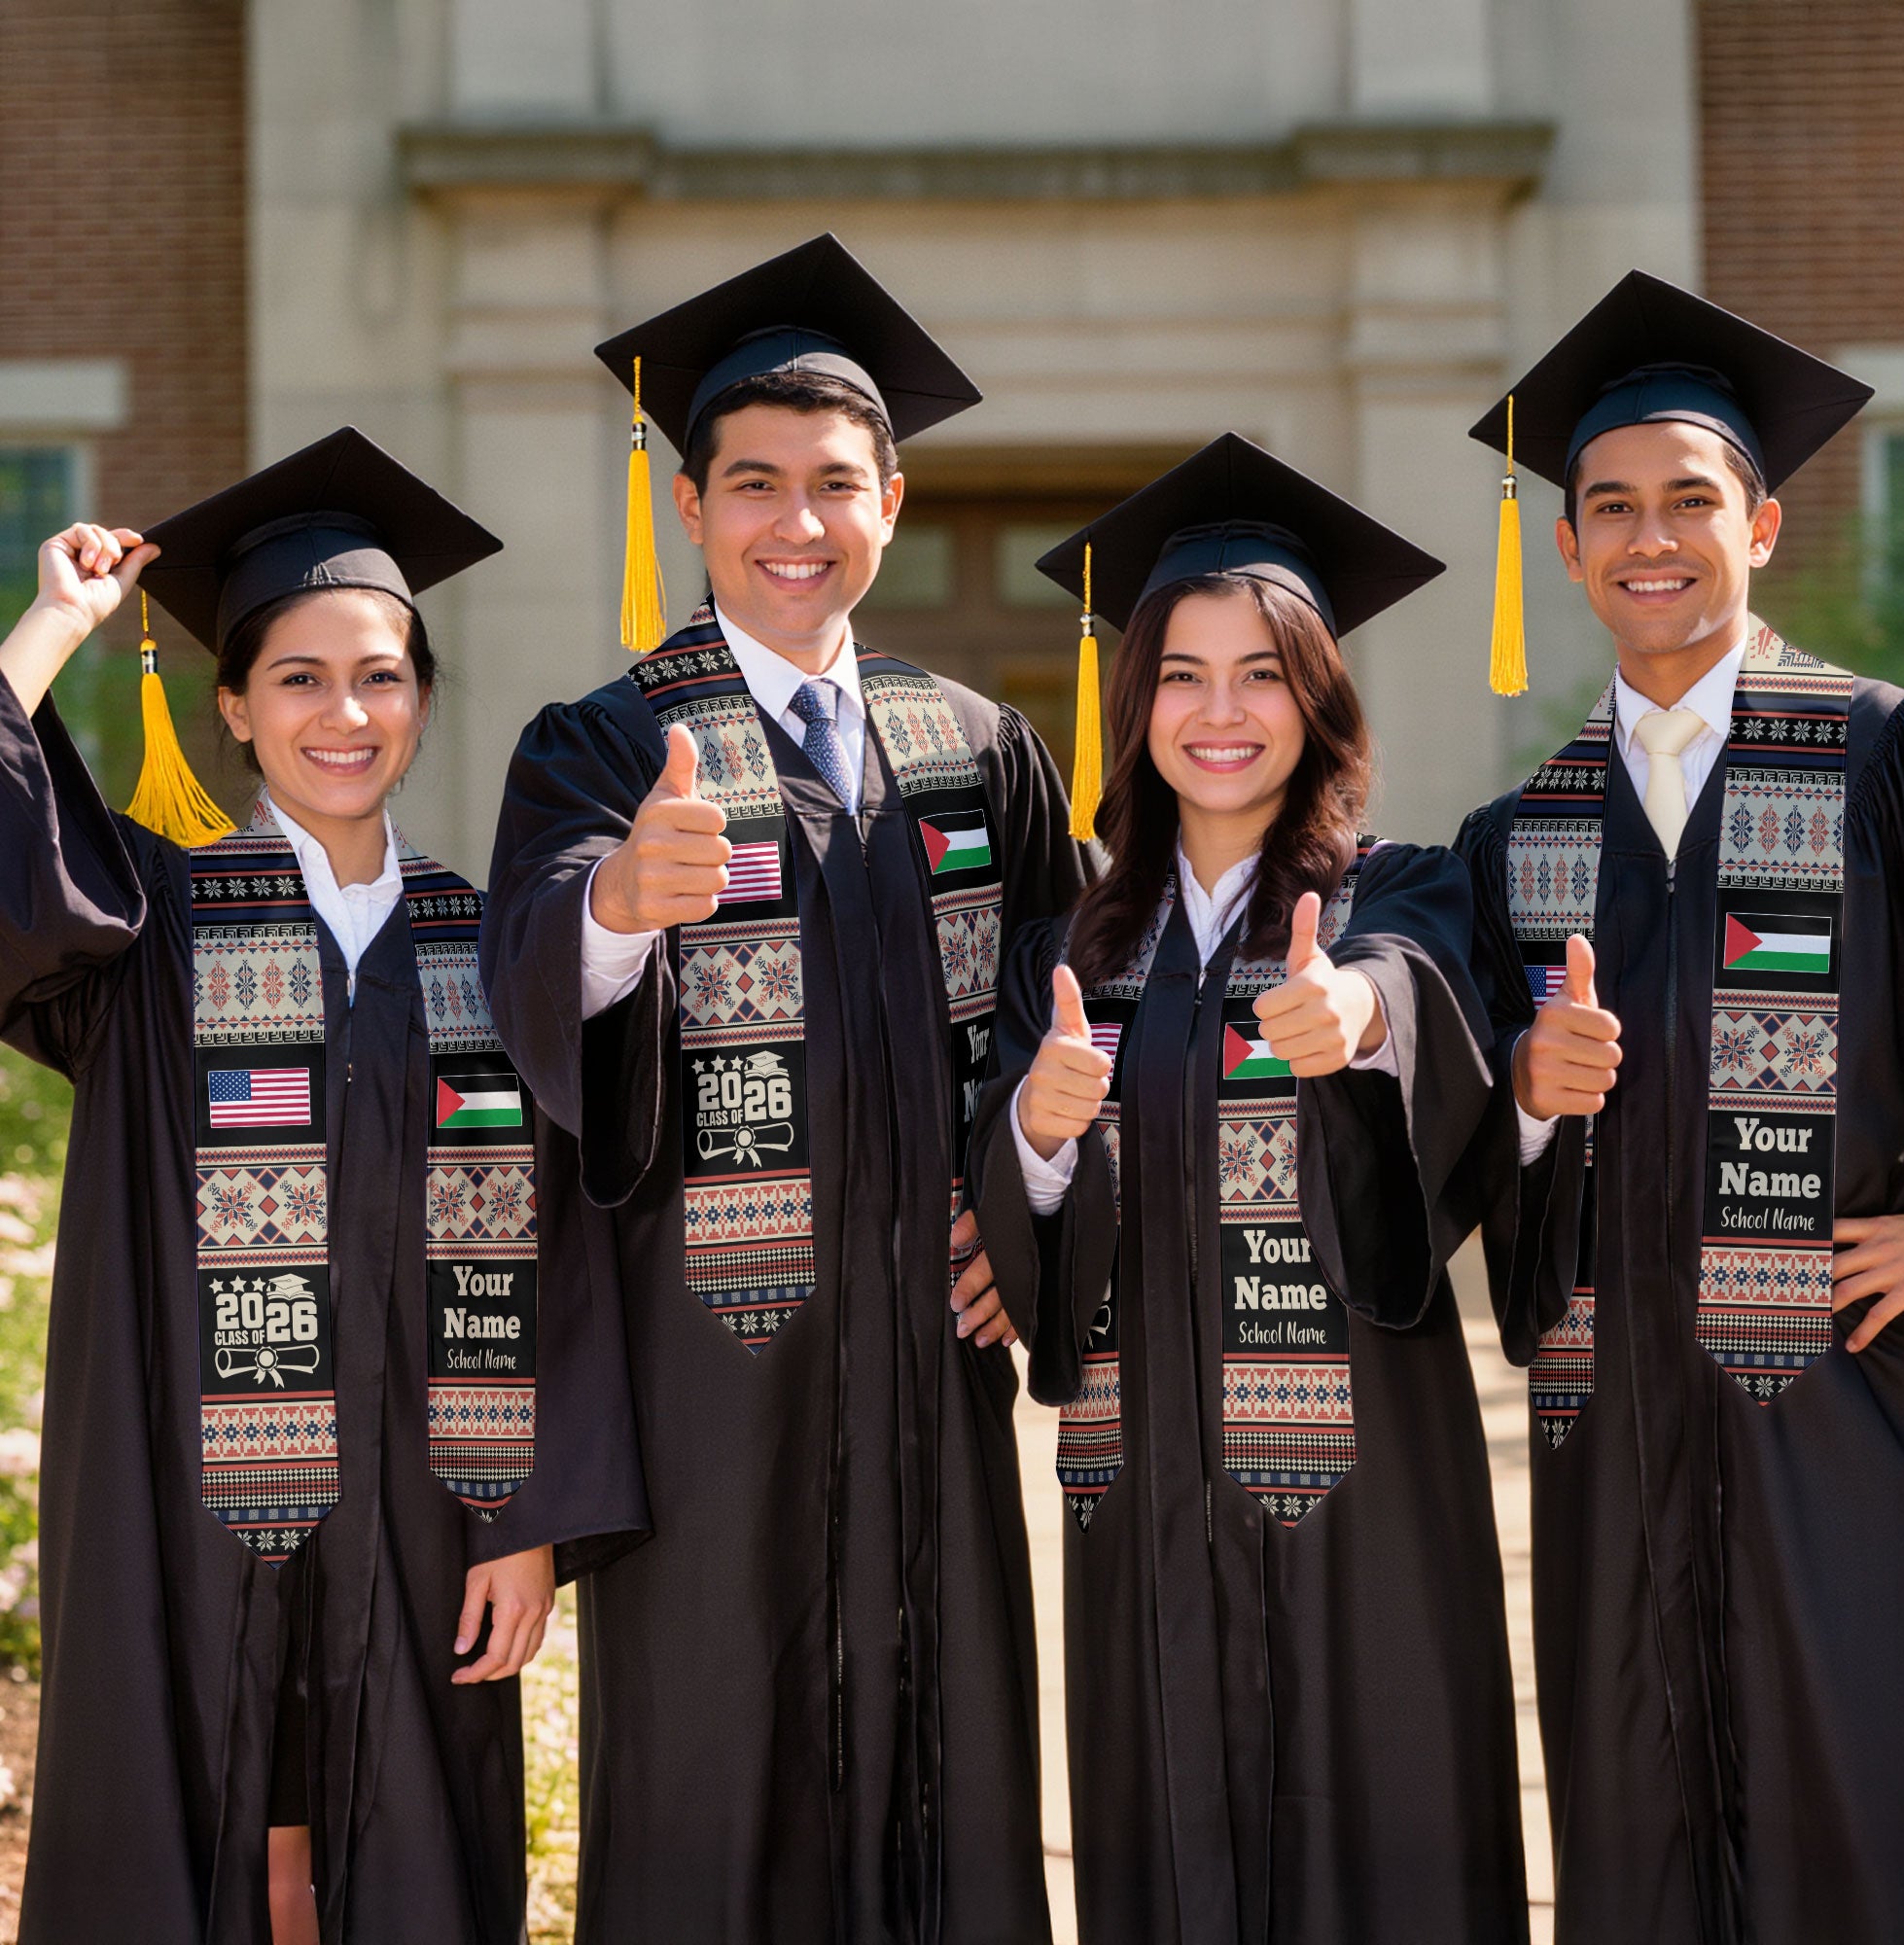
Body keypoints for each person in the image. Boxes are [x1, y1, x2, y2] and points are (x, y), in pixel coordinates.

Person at [482, 234, 1089, 1943]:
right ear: (691, 507)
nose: (796, 523)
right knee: (714, 1788)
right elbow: (528, 969)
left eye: (836, 484)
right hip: (714, 1377)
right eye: (755, 485)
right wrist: (615, 905)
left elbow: (1081, 1013)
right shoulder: (604, 744)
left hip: (929, 1370)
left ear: (892, 500)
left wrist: (1028, 1211)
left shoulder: (976, 745)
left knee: (948, 1771)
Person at [0, 428, 647, 1945]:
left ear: (422, 698)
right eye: (297, 677)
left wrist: (528, 1517)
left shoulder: (491, 944)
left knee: (412, 1852)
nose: (343, 713)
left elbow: (567, 1252)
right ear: (232, 705)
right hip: (186, 1500)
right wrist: (51, 628)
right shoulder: (147, 926)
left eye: (380, 675)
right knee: (196, 1827)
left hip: (432, 1508)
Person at [969, 435, 1528, 1943]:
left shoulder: (1400, 890)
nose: (1222, 713)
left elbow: (1423, 999)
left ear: (1320, 697)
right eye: (1183, 675)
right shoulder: (1066, 954)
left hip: (1363, 1485)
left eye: (1264, 672)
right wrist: (1036, 1124)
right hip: (1141, 1480)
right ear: (1134, 700)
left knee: (1387, 1836)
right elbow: (1019, 1215)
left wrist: (1355, 1020)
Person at [1457, 271, 1904, 1944]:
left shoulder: (1887, 755)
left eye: (1689, 501)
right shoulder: (1523, 836)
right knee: (1636, 1833)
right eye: (1610, 508)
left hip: (1847, 1411)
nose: (1648, 537)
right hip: (1616, 1432)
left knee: (1867, 1819)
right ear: (1572, 546)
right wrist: (1525, 1101)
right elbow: (1461, 1149)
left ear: (1764, 523)